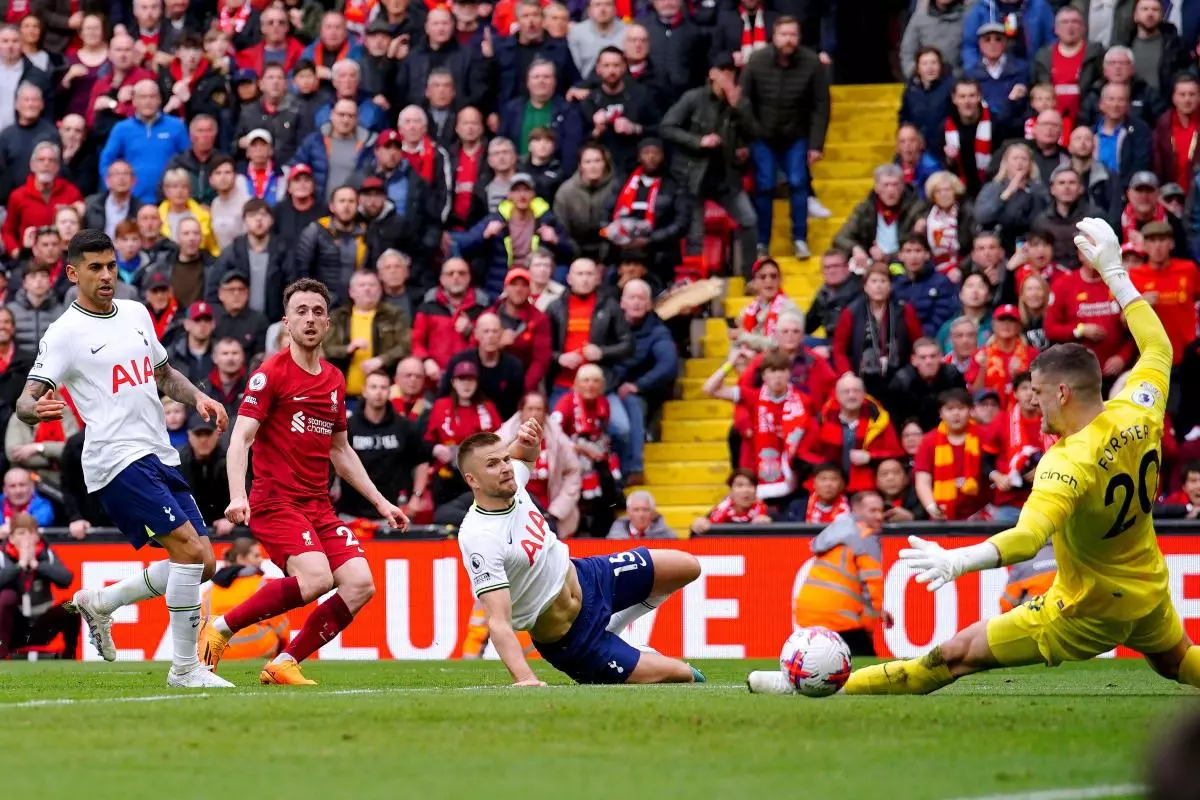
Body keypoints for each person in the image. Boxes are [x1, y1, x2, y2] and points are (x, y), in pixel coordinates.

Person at [801, 217, 1200, 697]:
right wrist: (1115, 271)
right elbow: (1157, 346)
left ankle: (815, 687)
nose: (1031, 403)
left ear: (1062, 392)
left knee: (951, 657)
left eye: (1036, 393)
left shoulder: (1066, 462)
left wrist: (958, 561)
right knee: (1179, 662)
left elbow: (1028, 539)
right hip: (1149, 589)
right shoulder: (1141, 406)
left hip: (1087, 608)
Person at [17, 230, 232, 688]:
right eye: (95, 268)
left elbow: (163, 374)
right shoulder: (65, 333)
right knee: (190, 552)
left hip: (158, 452)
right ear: (73, 273)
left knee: (204, 563)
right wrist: (34, 408)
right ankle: (184, 670)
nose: (106, 275)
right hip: (114, 459)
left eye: (111, 266)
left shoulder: (135, 312)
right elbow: (25, 399)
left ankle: (102, 602)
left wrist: (198, 398)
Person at [197, 278, 407, 685]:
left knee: (361, 584)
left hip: (318, 506)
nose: (309, 319)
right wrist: (238, 495)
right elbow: (240, 437)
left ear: (328, 323)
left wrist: (382, 503)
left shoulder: (333, 380)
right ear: (286, 323)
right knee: (317, 579)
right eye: (301, 312)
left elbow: (341, 451)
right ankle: (219, 629)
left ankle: (285, 662)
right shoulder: (270, 373)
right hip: (276, 502)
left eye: (316, 312)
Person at [453, 419, 705, 685]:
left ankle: (613, 625)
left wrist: (532, 443)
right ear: (472, 480)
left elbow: (523, 456)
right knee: (685, 675)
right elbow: (498, 622)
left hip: (591, 577)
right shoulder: (479, 537)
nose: (506, 468)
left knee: (687, 566)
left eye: (505, 459)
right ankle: (617, 650)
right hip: (573, 641)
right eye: (493, 464)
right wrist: (526, 677)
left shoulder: (512, 481)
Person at [739, 16, 829, 259]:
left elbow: (821, 106)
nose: (788, 40)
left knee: (799, 183)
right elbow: (743, 102)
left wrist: (815, 144)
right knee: (765, 185)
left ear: (799, 38)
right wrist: (749, 134)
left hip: (796, 135)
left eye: (793, 35)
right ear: (773, 36)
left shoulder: (811, 63)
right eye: (783, 34)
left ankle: (800, 239)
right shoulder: (756, 62)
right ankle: (762, 243)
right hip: (762, 136)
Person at [789, 491, 890, 657]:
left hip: (808, 612)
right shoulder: (866, 537)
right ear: (856, 511)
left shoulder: (835, 531)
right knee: (867, 670)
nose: (879, 516)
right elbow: (873, 589)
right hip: (839, 617)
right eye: (873, 511)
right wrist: (868, 628)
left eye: (881, 511)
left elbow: (843, 579)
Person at [0, 512, 80, 660]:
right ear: (11, 537)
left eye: (31, 533)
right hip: (13, 627)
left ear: (37, 536)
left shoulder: (46, 553)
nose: (26, 539)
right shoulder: (2, 555)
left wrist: (36, 565)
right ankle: (1, 655)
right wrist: (20, 565)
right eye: (21, 533)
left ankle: (69, 656)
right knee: (7, 597)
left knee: (72, 607)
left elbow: (66, 579)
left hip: (41, 623)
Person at [201, 537, 289, 662]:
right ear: (240, 558)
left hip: (221, 655)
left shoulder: (209, 591)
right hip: (260, 649)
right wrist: (284, 654)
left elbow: (203, 628)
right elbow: (280, 624)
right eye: (256, 556)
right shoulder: (259, 584)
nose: (261, 560)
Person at [607, 490, 675, 539]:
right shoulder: (614, 536)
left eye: (645, 510)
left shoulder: (667, 536)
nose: (641, 514)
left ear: (653, 513)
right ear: (628, 512)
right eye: (636, 510)